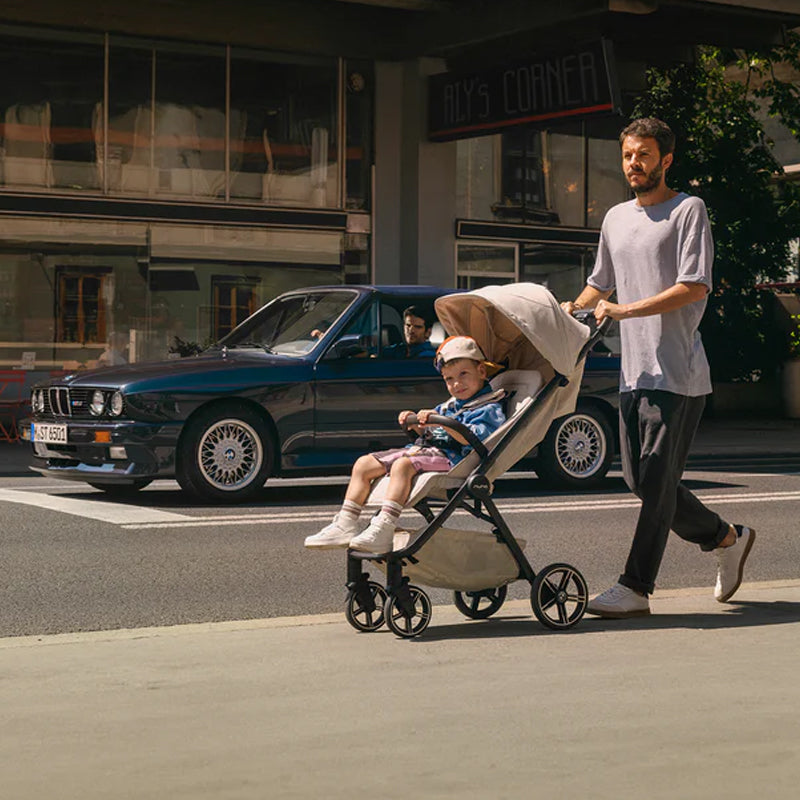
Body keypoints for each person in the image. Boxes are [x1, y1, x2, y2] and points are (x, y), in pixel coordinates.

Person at [561, 117, 755, 619]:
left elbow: (694, 286)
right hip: (634, 373)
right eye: (628, 155)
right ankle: (726, 538)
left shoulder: (688, 210)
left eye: (643, 155)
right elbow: (598, 285)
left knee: (656, 486)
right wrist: (571, 311)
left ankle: (636, 586)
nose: (633, 164)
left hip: (678, 374)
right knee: (643, 482)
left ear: (665, 160)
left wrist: (625, 310)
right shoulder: (615, 218)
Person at [304, 335, 506, 554]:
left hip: (456, 460)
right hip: (429, 451)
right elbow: (433, 430)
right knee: (364, 464)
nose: (456, 384)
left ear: (482, 372)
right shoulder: (451, 406)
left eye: (463, 375)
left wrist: (444, 424)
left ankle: (384, 526)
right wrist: (416, 423)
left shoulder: (487, 408)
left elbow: (477, 439)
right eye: (449, 379)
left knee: (403, 465)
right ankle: (346, 522)